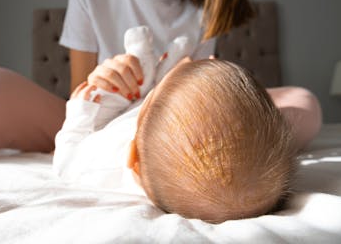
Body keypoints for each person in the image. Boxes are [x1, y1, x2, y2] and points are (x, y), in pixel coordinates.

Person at [0, 0, 321, 163]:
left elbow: (196, 94)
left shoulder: (202, 8)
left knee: (301, 101)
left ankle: (200, 154)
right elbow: (82, 96)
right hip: (95, 119)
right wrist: (105, 81)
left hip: (173, 125)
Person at [53, 58, 297, 223]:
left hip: (115, 107)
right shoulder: (163, 162)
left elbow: (66, 156)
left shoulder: (97, 163)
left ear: (133, 157)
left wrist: (78, 110)